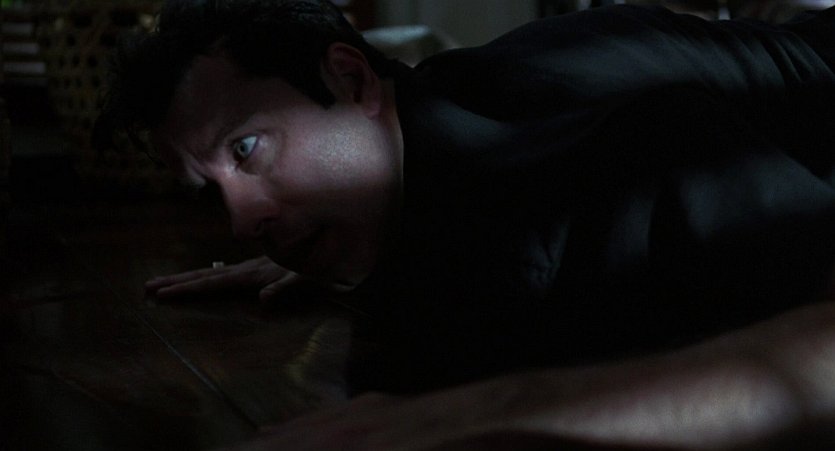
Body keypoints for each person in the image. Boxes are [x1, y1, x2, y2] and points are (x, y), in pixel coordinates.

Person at [95, 0, 835, 448]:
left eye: (247, 150)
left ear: (351, 79)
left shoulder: (613, 151)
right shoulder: (428, 128)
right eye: (211, 192)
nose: (237, 221)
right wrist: (320, 228)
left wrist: (485, 413)